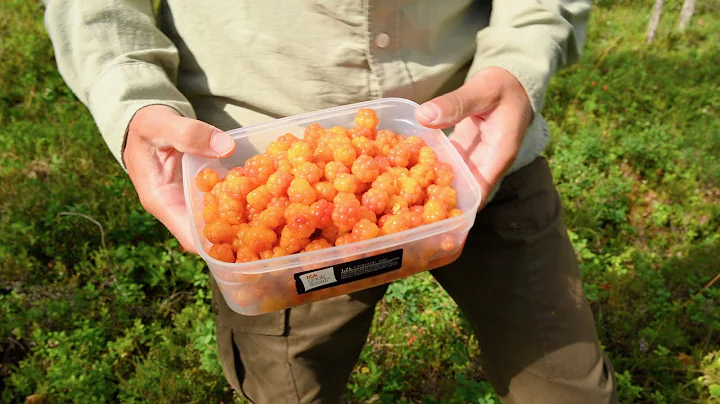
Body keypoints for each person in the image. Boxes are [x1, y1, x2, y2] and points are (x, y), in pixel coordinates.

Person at [43, 1, 618, 402]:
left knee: (568, 387)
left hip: (475, 143)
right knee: (289, 391)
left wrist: (520, 61)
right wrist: (131, 97)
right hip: (257, 155)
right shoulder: (274, 208)